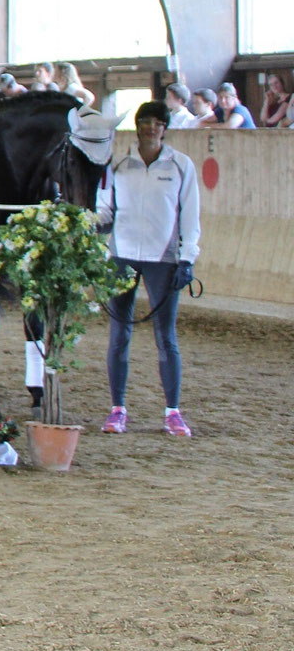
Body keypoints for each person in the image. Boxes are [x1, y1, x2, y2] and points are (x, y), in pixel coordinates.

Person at [98, 102, 201, 437]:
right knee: (119, 334)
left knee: (166, 336)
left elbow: (189, 216)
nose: (151, 128)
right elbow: (105, 210)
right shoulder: (118, 165)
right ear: (138, 126)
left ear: (165, 128)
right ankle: (118, 409)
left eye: (158, 122)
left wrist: (187, 257)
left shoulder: (181, 166)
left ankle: (172, 411)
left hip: (163, 258)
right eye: (145, 122)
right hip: (122, 255)